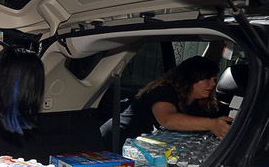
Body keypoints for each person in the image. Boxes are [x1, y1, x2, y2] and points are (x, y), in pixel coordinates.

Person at [100, 56, 233, 152]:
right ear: (191, 78)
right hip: (114, 143)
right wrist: (211, 124)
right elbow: (167, 119)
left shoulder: (199, 104)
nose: (213, 83)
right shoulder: (165, 91)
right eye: (207, 78)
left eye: (215, 79)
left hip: (142, 150)